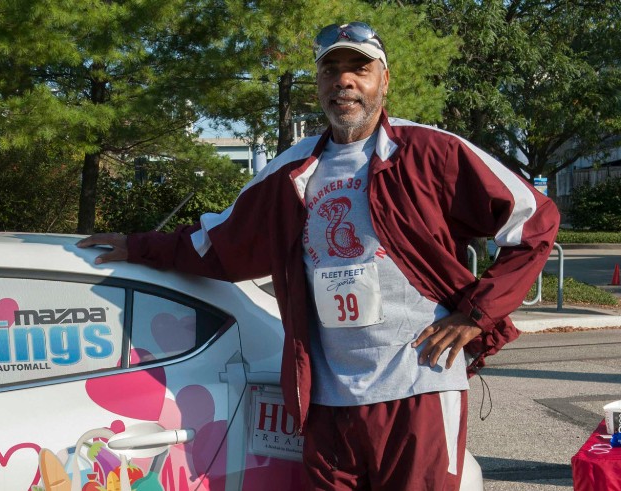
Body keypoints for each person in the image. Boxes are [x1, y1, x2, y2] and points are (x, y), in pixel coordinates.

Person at [78, 21, 559, 490]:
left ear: (384, 81)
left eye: (360, 69)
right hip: (327, 399)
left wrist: (476, 314)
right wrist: (135, 246)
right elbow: (218, 245)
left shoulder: (429, 152)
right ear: (318, 85)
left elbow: (535, 222)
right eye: (331, 71)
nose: (344, 81)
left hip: (419, 387)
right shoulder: (293, 171)